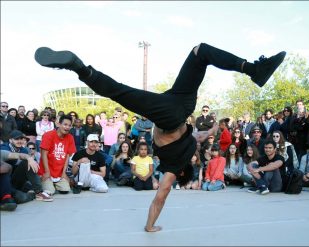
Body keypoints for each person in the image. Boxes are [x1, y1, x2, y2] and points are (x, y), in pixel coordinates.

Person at [35, 42, 286, 232]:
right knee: (120, 92)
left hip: (181, 104)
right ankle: (256, 70)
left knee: (200, 51)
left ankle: (253, 69)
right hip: (171, 110)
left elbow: (202, 134)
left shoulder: (190, 147)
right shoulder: (173, 167)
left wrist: (216, 129)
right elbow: (160, 197)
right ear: (181, 173)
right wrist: (150, 226)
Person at [38, 114, 76, 195]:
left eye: (69, 125)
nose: (67, 127)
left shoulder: (70, 137)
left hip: (59, 173)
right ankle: (43, 182)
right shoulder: (48, 135)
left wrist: (64, 173)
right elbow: (43, 154)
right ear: (59, 124)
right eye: (65, 124)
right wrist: (47, 172)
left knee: (65, 190)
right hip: (46, 171)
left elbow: (67, 156)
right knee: (50, 192)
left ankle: (54, 184)